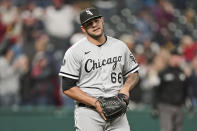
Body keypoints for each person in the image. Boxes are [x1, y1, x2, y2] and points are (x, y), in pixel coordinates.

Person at [59, 7, 139, 131]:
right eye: (89, 23)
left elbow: (134, 73)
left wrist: (125, 88)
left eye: (96, 21)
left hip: (118, 111)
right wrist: (95, 102)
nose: (94, 25)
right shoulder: (74, 52)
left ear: (102, 20)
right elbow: (67, 87)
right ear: (83, 28)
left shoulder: (119, 46)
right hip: (89, 113)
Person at [152, 49, 189, 131]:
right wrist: (154, 106)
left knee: (178, 129)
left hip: (179, 106)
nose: (177, 59)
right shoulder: (163, 72)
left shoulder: (182, 73)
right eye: (175, 56)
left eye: (179, 57)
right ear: (171, 57)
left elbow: (186, 90)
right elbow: (156, 90)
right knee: (167, 129)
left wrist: (187, 102)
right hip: (166, 106)